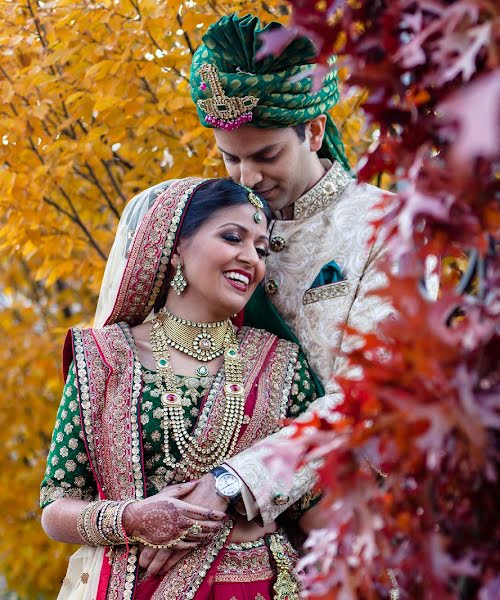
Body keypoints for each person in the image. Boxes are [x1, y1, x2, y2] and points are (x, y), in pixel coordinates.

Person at [152, 11, 394, 548]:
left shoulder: (385, 227)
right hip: (211, 530)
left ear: (314, 129)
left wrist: (237, 483)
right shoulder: (203, 224)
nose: (248, 178)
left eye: (266, 155)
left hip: (346, 529)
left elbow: (371, 396)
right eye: (229, 158)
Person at [40, 178, 320, 599]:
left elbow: (314, 500)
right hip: (134, 587)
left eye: (261, 249)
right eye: (232, 237)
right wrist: (132, 518)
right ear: (174, 249)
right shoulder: (102, 358)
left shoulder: (280, 362)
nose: (251, 258)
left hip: (255, 587)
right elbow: (56, 505)